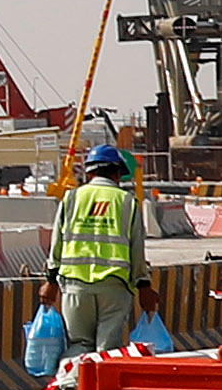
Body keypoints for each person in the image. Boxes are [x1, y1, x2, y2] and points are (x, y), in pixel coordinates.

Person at [48, 145, 153, 362]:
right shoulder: (126, 202)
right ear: (117, 173)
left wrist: (50, 281)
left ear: (89, 172)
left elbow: (56, 243)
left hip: (75, 286)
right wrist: (144, 287)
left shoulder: (71, 199)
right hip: (114, 287)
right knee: (108, 350)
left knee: (79, 345)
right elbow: (137, 251)